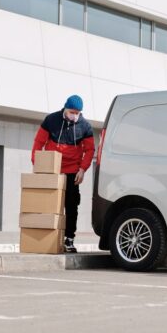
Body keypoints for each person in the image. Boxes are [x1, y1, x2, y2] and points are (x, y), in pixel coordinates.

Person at [32, 95, 95, 253]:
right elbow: (39, 143)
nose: (75, 115)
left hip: (73, 171)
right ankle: (45, 237)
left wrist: (83, 169)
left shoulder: (85, 126)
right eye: (72, 112)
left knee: (72, 206)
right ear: (65, 109)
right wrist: (38, 163)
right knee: (48, 205)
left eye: (78, 113)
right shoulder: (51, 120)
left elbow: (89, 150)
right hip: (52, 169)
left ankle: (69, 239)